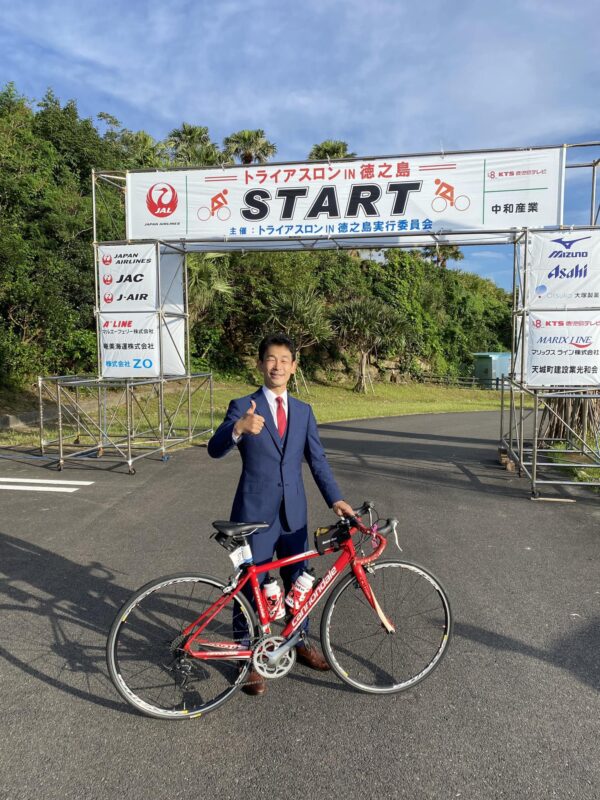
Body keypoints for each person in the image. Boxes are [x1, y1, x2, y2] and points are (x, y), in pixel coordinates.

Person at [207, 333, 354, 695]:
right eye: (270, 359)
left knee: (298, 582)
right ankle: (247, 656)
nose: (277, 365)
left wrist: (336, 499)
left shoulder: (303, 412)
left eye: (284, 359)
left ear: (293, 366)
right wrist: (238, 429)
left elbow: (316, 460)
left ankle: (298, 640)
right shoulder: (243, 404)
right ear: (260, 364)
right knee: (250, 585)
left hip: (294, 515)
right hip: (252, 514)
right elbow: (214, 449)